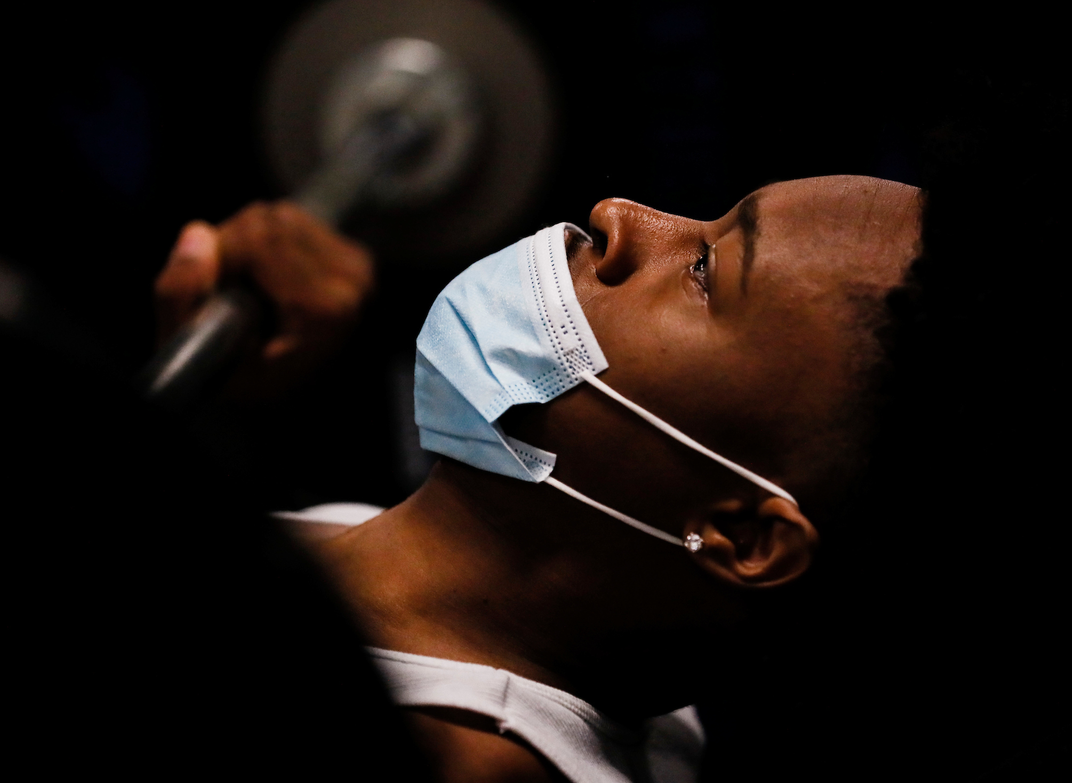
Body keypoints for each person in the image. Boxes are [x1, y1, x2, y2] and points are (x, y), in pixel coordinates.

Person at [154, 175, 923, 782]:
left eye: (704, 268)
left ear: (740, 535)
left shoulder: (436, 757)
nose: (620, 216)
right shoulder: (650, 714)